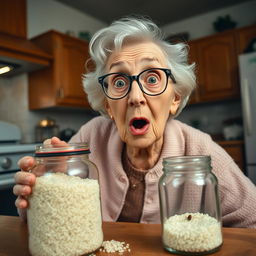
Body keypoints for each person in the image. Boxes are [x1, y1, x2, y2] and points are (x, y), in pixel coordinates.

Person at [14, 17, 256, 228]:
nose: (135, 97)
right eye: (119, 82)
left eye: (152, 78)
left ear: (175, 97)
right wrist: (38, 192)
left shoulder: (200, 150)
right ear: (108, 105)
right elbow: (50, 220)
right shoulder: (90, 138)